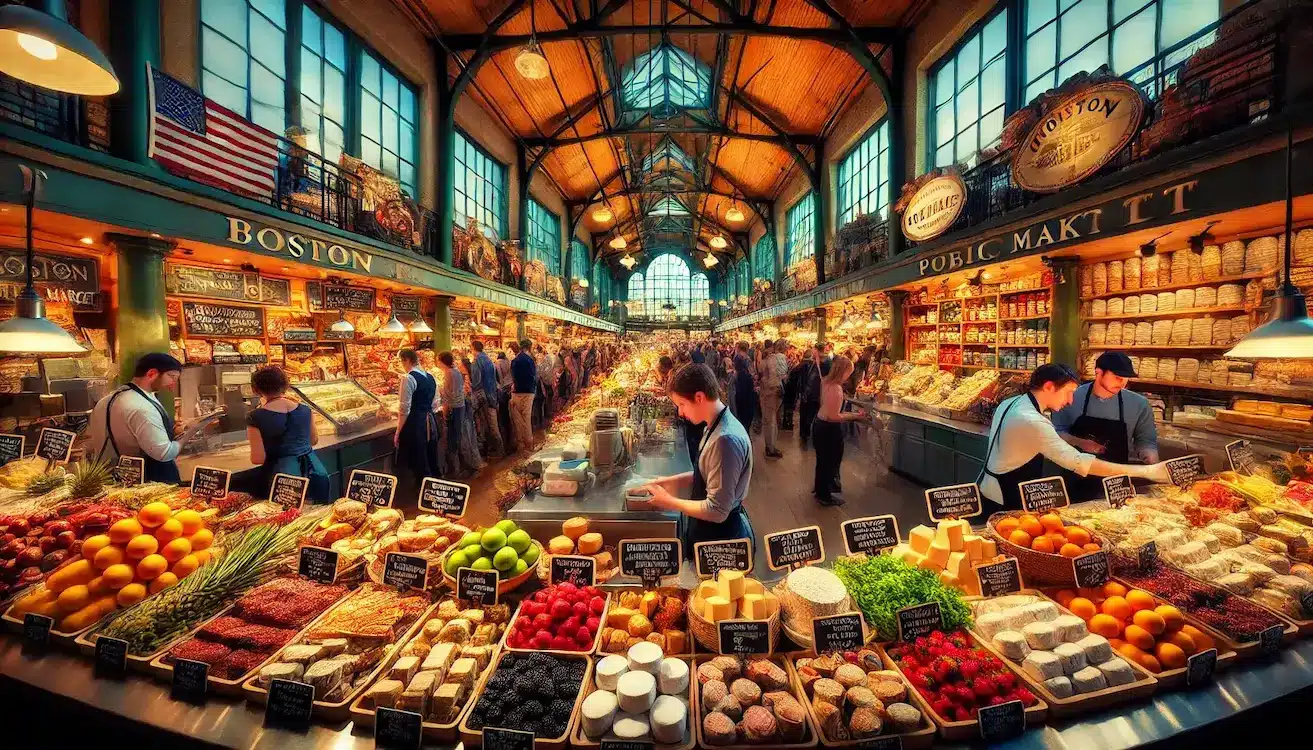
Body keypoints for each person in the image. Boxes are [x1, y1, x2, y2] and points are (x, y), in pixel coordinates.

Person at [981, 363, 1172, 511]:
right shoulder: (1032, 421)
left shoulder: (1012, 402)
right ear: (1049, 387)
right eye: (1069, 392)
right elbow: (1079, 462)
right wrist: (1147, 472)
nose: (1071, 400)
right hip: (1005, 497)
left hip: (989, 487)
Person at [642, 364, 754, 559]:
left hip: (720, 541)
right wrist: (667, 481)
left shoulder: (725, 440)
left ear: (699, 397)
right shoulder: (714, 426)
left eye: (681, 405)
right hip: (707, 531)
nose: (680, 413)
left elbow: (717, 510)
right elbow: (707, 473)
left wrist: (669, 502)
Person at [1051, 352, 1160, 501]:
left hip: (1116, 482)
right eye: (1117, 377)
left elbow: (1145, 441)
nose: (1122, 383)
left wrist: (1150, 458)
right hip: (1074, 479)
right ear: (1098, 373)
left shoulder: (1139, 404)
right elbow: (1056, 433)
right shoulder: (1071, 397)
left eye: (1126, 378)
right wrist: (1080, 442)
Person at [89, 353, 189, 483]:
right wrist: (190, 431)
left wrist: (174, 430)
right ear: (152, 373)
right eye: (172, 377)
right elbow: (164, 453)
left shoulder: (106, 401)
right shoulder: (141, 407)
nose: (172, 384)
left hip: (112, 477)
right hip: (147, 483)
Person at [245, 365, 329, 503]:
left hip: (283, 480)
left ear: (255, 389)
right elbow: (313, 440)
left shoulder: (255, 416)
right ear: (286, 385)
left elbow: (258, 458)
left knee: (288, 520)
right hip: (314, 472)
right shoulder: (305, 410)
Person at [812, 356, 867, 506]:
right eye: (849, 372)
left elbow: (825, 407)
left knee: (822, 461)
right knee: (831, 461)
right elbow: (833, 416)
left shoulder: (825, 382)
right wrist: (855, 416)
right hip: (828, 429)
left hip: (819, 424)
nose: (849, 375)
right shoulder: (836, 389)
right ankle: (825, 495)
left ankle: (820, 490)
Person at [394, 348, 441, 495]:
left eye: (402, 362)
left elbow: (404, 409)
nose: (402, 365)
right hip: (430, 421)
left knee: (418, 456)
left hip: (415, 423)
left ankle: (424, 492)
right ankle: (433, 488)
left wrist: (397, 432)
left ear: (407, 360)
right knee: (429, 454)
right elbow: (435, 404)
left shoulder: (408, 378)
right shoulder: (431, 377)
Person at [437, 351, 469, 477]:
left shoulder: (450, 373)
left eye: (438, 360)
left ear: (443, 361)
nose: (437, 363)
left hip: (454, 408)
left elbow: (447, 396)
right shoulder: (454, 371)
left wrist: (445, 412)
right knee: (456, 437)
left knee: (453, 439)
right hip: (458, 406)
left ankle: (455, 470)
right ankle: (460, 467)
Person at [471, 341, 503, 458]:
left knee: (491, 425)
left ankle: (499, 451)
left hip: (485, 396)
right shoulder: (488, 359)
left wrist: (473, 390)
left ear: (473, 348)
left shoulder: (477, 361)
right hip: (492, 395)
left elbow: (476, 381)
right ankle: (497, 449)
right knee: (493, 424)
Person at [758, 339, 788, 458]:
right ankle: (771, 447)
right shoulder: (781, 358)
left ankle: (770, 448)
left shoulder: (769, 359)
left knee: (769, 420)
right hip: (776, 390)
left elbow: (760, 369)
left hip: (769, 391)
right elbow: (784, 374)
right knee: (772, 420)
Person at [510, 339, 538, 453]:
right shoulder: (530, 360)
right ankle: (529, 444)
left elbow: (513, 376)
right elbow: (533, 376)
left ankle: (520, 444)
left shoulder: (515, 360)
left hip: (517, 392)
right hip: (528, 392)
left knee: (518, 419)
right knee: (526, 418)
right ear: (529, 347)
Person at [797, 345, 824, 447]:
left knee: (807, 417)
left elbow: (811, 382)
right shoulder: (812, 364)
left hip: (811, 396)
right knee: (807, 416)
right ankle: (805, 435)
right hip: (811, 395)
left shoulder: (818, 365)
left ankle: (805, 435)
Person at [732, 344, 756, 432]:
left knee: (741, 410)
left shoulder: (739, 357)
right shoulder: (747, 358)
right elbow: (752, 373)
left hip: (741, 386)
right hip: (747, 387)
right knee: (747, 411)